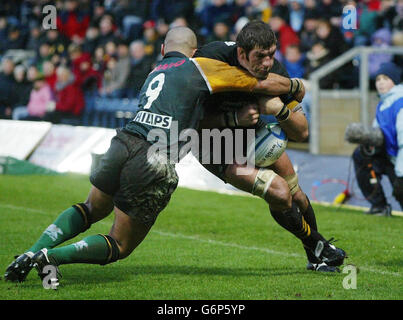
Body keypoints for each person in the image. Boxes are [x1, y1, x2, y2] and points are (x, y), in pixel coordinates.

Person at [5, 26, 325, 284]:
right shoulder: (201, 67)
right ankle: (49, 258)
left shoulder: (156, 69)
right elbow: (256, 81)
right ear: (195, 52)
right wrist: (295, 87)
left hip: (122, 142)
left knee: (91, 208)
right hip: (154, 156)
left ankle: (32, 250)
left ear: (162, 50)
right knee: (119, 244)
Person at [194, 20, 346, 272]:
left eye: (271, 55)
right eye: (260, 56)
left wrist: (280, 110)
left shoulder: (276, 71)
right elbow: (190, 120)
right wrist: (232, 118)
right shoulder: (211, 58)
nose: (267, 63)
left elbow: (302, 131)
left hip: (253, 135)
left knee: (296, 194)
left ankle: (315, 258)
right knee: (279, 192)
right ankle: (318, 245)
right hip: (214, 145)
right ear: (242, 53)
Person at [350, 62, 403, 216]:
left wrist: (400, 174)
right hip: (391, 158)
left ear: (395, 80)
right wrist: (369, 144)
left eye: (385, 78)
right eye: (378, 79)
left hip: (400, 162)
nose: (380, 82)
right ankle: (379, 206)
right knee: (361, 155)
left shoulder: (400, 102)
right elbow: (378, 135)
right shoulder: (382, 104)